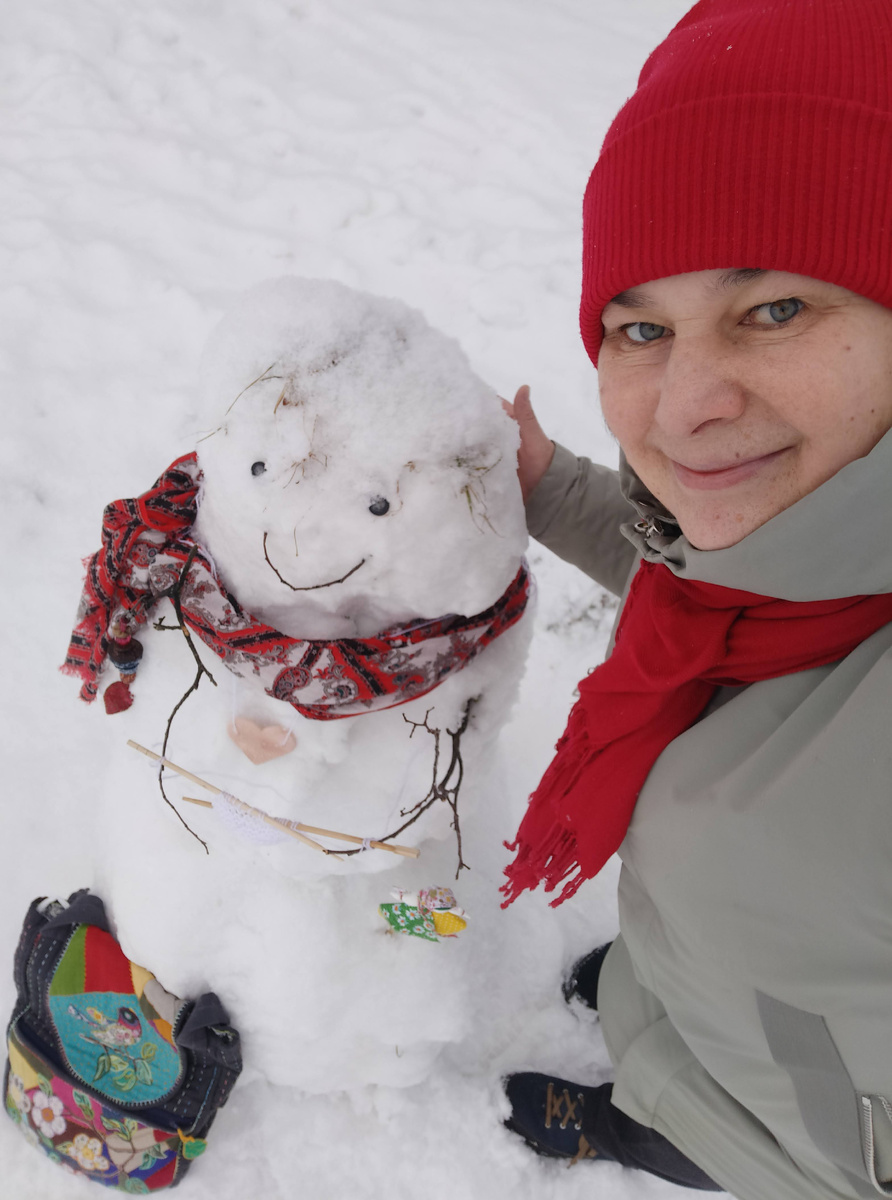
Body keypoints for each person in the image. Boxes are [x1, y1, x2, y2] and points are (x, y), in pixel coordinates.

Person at [499, 1, 892, 1197]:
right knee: (654, 988)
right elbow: (704, 581)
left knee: (695, 1133)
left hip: (802, 1139)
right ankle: (647, 1013)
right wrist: (551, 486)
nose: (679, 411)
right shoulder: (787, 563)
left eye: (775, 307)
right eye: (640, 327)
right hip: (705, 991)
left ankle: (646, 1131)